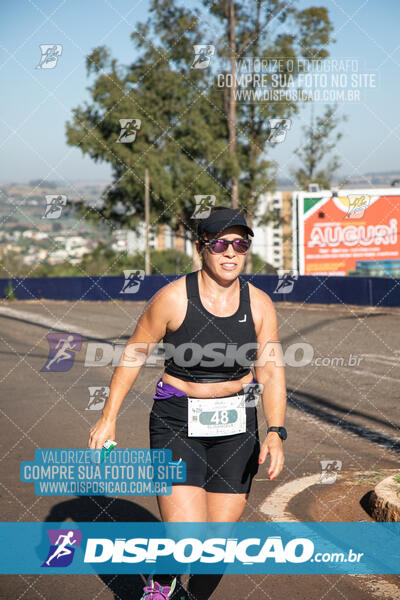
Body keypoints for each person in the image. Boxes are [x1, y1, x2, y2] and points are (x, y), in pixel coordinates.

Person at [88, 206, 287, 599]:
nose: (231, 252)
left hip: (237, 425)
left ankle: (187, 595)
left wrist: (277, 431)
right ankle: (161, 588)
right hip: (177, 421)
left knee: (217, 540)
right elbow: (133, 354)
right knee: (185, 535)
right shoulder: (173, 299)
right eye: (220, 243)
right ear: (201, 248)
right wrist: (108, 417)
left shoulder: (260, 304)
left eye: (240, 243)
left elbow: (272, 370)